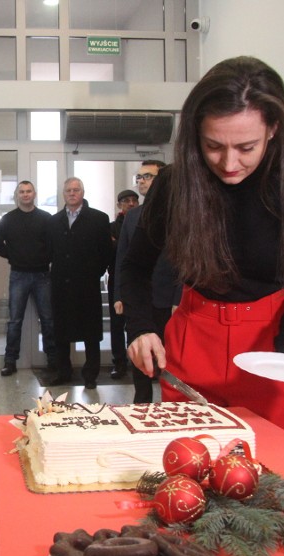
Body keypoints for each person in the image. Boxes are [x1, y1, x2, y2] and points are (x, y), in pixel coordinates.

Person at [121, 56, 284, 439]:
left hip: (274, 347)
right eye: (213, 146)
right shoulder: (176, 182)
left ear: (272, 129)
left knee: (273, 475)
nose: (229, 163)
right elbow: (135, 266)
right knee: (188, 471)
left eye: (246, 147)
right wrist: (140, 328)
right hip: (193, 341)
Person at [113, 160, 177, 403]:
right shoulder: (133, 216)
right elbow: (124, 259)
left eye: (148, 176)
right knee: (140, 352)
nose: (141, 181)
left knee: (169, 357)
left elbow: (187, 262)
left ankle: (171, 405)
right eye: (139, 177)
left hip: (168, 297)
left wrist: (179, 297)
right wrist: (120, 294)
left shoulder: (180, 214)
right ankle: (142, 403)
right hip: (139, 299)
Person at [48, 177, 111, 389]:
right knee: (61, 332)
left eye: (76, 190)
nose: (72, 193)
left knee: (90, 333)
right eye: (68, 190)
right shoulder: (54, 221)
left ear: (82, 193)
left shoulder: (99, 219)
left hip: (87, 285)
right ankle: (63, 372)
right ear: (63, 194)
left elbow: (106, 253)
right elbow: (50, 252)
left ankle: (90, 375)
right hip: (61, 286)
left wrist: (95, 272)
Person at [0, 180, 56, 376]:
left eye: (29, 191)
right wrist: (12, 255)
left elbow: (55, 244)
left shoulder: (46, 218)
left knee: (48, 320)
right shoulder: (7, 219)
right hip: (18, 274)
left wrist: (46, 257)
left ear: (34, 194)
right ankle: (10, 361)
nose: (25, 195)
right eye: (22, 192)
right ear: (17, 195)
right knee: (15, 320)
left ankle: (52, 360)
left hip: (43, 274)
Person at [107, 188, 140, 379]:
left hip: (138, 280)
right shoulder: (111, 227)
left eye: (134, 200)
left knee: (136, 322)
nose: (131, 203)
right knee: (117, 324)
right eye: (126, 200)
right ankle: (119, 363)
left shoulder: (143, 222)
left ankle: (139, 361)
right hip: (117, 279)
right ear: (119, 205)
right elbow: (113, 252)